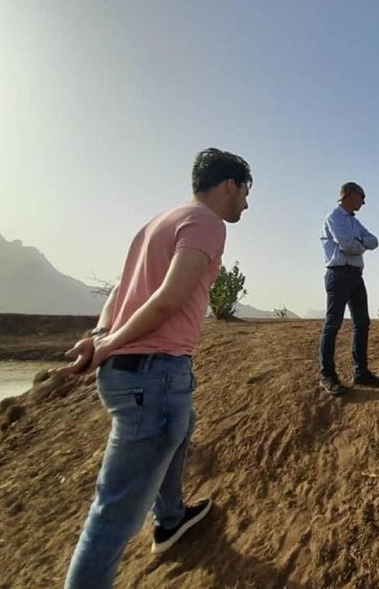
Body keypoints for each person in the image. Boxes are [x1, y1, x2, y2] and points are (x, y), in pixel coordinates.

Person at [52, 149, 252, 588]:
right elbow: (167, 299)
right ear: (229, 186)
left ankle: (171, 518)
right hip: (154, 374)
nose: (246, 205)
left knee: (182, 427)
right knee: (112, 516)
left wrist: (102, 335)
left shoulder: (158, 222)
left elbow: (121, 291)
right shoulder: (207, 223)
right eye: (245, 193)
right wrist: (109, 344)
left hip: (136, 374)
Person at [318, 182, 379, 395]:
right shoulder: (334, 218)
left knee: (362, 323)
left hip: (356, 276)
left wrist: (360, 242)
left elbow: (374, 241)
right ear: (349, 195)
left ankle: (361, 372)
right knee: (333, 324)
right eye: (362, 196)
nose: (364, 202)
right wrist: (361, 243)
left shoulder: (355, 222)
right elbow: (350, 246)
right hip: (338, 275)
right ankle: (327, 375)